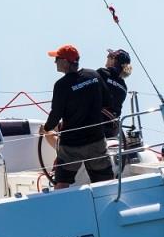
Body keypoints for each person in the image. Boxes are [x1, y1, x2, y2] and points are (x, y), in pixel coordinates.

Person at [40, 44, 114, 189]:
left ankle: (62, 210)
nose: (55, 62)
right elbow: (108, 102)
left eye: (57, 59)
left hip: (72, 145)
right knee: (105, 181)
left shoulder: (61, 85)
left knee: (61, 182)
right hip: (96, 140)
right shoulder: (93, 75)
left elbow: (56, 114)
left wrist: (46, 128)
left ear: (65, 62)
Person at [97, 48, 133, 137]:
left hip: (95, 124)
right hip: (112, 130)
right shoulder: (124, 87)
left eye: (110, 56)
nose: (107, 57)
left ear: (115, 61)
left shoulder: (102, 73)